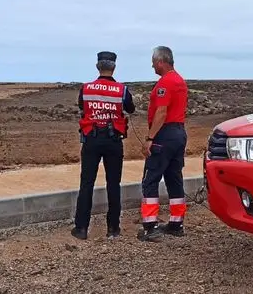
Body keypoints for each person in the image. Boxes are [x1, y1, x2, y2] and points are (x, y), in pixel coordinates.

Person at [71, 51, 136, 240]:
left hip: (91, 139)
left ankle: (81, 229)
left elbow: (82, 108)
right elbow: (130, 108)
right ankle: (113, 229)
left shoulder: (86, 88)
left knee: (87, 184)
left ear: (97, 66)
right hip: (113, 141)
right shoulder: (121, 90)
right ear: (113, 67)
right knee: (113, 184)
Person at [137, 46, 188, 242]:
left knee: (150, 179)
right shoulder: (180, 81)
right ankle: (177, 223)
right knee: (174, 178)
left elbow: (161, 112)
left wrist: (150, 138)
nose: (152, 65)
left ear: (160, 61)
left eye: (153, 61)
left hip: (164, 135)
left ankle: (150, 226)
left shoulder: (165, 84)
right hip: (178, 133)